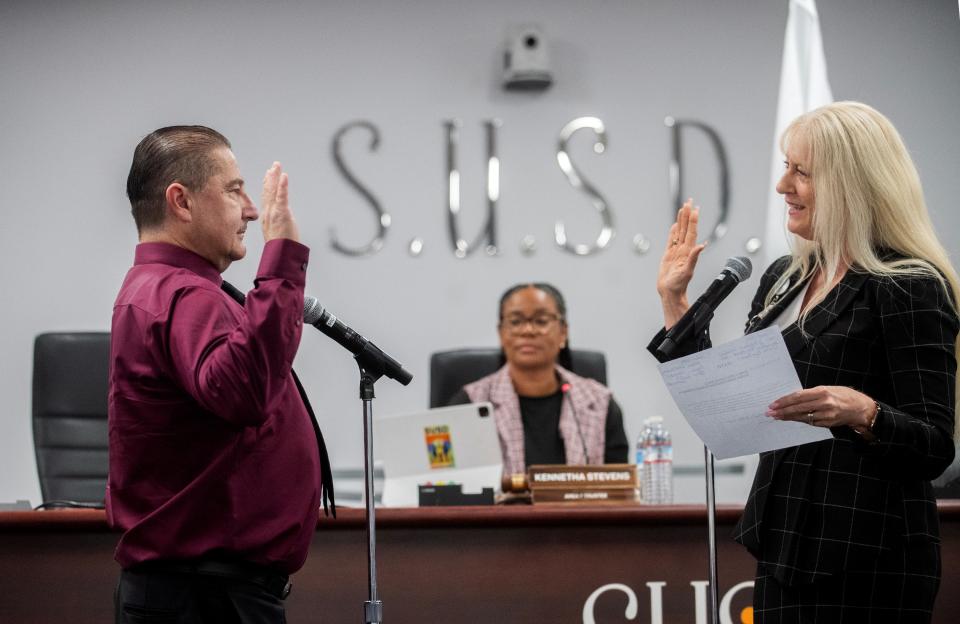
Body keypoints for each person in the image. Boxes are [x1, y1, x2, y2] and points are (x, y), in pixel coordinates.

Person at [650, 102, 959, 623]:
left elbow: (935, 448)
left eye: (801, 171)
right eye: (785, 167)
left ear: (851, 184)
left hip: (868, 555)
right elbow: (734, 399)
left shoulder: (908, 286)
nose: (782, 186)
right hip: (786, 545)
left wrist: (865, 412)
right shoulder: (784, 277)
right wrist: (675, 302)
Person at [109, 126, 334, 623]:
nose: (251, 210)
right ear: (181, 202)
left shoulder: (170, 290)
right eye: (234, 190)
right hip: (204, 598)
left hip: (206, 591)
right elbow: (244, 393)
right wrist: (282, 261)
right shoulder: (179, 294)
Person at [448, 283, 629, 475]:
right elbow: (450, 485)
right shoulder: (470, 403)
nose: (527, 330)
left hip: (579, 506)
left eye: (541, 321)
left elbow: (621, 487)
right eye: (516, 322)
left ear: (563, 332)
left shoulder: (598, 403)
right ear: (501, 333)